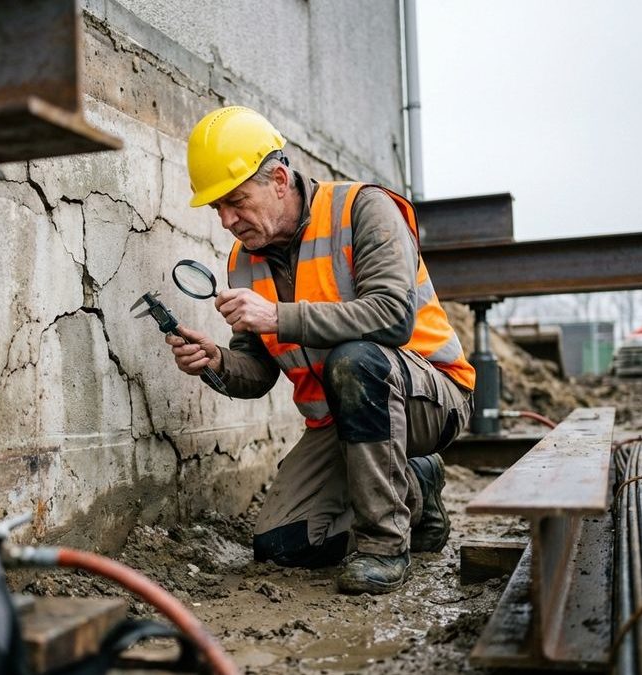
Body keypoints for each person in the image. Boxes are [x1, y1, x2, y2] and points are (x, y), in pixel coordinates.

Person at [165, 106, 476, 594]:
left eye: (236, 201)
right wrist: (218, 362)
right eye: (217, 208)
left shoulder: (363, 210)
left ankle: (385, 546)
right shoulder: (242, 262)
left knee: (357, 360)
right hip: (343, 423)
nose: (227, 220)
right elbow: (260, 372)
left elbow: (393, 316)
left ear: (280, 180)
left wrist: (278, 316)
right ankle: (415, 487)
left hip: (431, 397)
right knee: (283, 545)